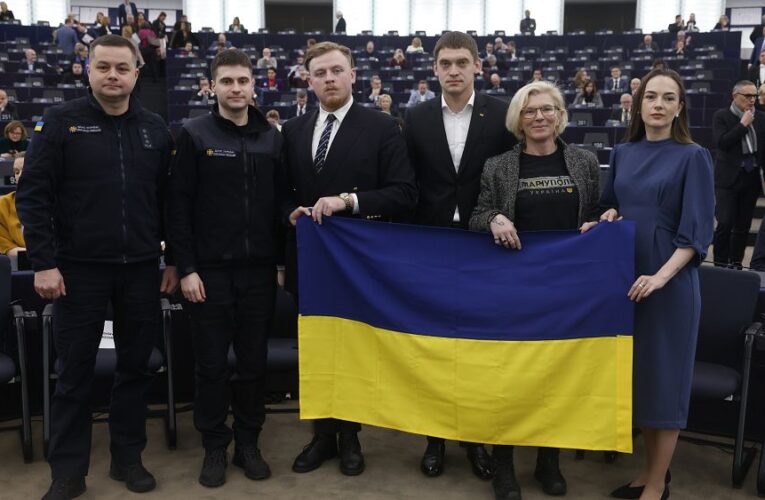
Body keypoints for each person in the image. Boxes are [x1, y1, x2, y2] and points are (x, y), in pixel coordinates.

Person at [16, 34, 178, 500]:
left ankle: (128, 459)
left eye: (121, 69)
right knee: (74, 373)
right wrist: (44, 263)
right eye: (103, 67)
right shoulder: (61, 123)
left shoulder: (154, 128)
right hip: (78, 271)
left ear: (136, 74)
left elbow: (169, 203)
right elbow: (32, 197)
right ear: (88, 70)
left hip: (142, 269)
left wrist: (174, 260)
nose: (112, 75)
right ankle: (67, 472)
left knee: (134, 369)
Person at [281, 41, 417, 477]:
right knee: (316, 350)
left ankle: (351, 437)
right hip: (309, 261)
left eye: (337, 71)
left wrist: (348, 201)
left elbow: (405, 193)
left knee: (355, 350)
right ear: (309, 79)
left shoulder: (381, 126)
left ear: (353, 75)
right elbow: (282, 191)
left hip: (360, 263)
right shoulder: (294, 130)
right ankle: (322, 434)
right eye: (319, 73)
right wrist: (290, 210)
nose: (329, 79)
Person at [470, 80, 600, 500]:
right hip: (514, 288)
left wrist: (603, 219)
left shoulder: (583, 162)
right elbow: (476, 214)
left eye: (547, 109)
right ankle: (504, 464)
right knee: (509, 378)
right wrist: (492, 218)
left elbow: (597, 212)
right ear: (518, 120)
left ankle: (548, 461)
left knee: (558, 376)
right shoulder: (498, 166)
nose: (539, 117)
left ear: (561, 115)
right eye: (530, 111)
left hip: (566, 289)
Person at [593, 67, 714, 500]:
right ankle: (648, 473)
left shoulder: (693, 156)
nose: (658, 105)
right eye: (651, 97)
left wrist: (659, 278)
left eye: (668, 98)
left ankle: (657, 485)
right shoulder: (624, 152)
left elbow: (697, 235)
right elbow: (612, 206)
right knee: (642, 383)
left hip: (669, 285)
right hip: (628, 281)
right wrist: (607, 217)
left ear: (680, 107)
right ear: (637, 104)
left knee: (665, 385)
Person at [168, 48, 285, 489]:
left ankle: (248, 442)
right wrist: (187, 268)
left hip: (258, 274)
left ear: (254, 85)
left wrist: (278, 262)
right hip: (208, 274)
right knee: (212, 365)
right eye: (227, 82)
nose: (236, 89)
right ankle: (215, 445)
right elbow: (177, 207)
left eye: (243, 81)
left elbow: (278, 206)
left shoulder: (273, 137)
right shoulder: (193, 134)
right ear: (212, 86)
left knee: (253, 363)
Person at [404, 30, 516, 482]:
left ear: (477, 66)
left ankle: (474, 439)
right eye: (445, 63)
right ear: (434, 69)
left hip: (483, 243)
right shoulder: (415, 117)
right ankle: (434, 440)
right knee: (432, 346)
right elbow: (407, 181)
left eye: (461, 63)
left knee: (475, 347)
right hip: (430, 244)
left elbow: (512, 173)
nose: (453, 70)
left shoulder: (502, 114)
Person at [711, 80, 765, 268]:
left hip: (751, 178)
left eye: (754, 96)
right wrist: (742, 125)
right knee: (725, 223)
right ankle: (719, 263)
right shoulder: (722, 116)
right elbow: (722, 143)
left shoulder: (761, 118)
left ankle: (736, 262)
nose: (752, 100)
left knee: (743, 226)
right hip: (727, 179)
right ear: (735, 96)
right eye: (747, 96)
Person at [0, 154, 25, 257]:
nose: (19, 175)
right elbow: (4, 243)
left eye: (25, 169)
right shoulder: (3, 204)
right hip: (19, 265)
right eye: (16, 172)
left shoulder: (60, 202)